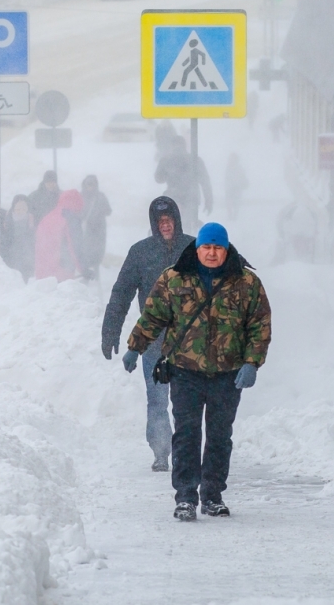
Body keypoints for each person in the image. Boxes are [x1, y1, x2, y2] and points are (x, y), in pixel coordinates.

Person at [123, 223, 271, 521]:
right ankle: (186, 497)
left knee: (219, 436)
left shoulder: (246, 282)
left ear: (226, 249)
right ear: (198, 248)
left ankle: (213, 496)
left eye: (218, 247)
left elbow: (259, 325)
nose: (212, 253)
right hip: (185, 371)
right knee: (187, 434)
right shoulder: (174, 278)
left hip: (227, 374)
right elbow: (153, 316)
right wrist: (135, 347)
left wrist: (251, 362)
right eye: (207, 247)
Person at [101, 196, 194, 471]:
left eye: (169, 220)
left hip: (189, 342)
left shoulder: (193, 249)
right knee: (157, 399)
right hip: (154, 341)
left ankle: (183, 453)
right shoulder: (140, 253)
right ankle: (161, 451)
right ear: (154, 224)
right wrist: (110, 331)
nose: (165, 225)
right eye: (160, 221)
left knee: (185, 402)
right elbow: (122, 293)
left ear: (177, 221)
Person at [155, 135, 212, 229]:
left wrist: (165, 171)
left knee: (173, 224)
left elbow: (158, 179)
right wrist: (209, 200)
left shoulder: (166, 160)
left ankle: (175, 240)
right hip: (191, 197)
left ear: (171, 147)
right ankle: (189, 235)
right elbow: (205, 181)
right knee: (188, 223)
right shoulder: (195, 159)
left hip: (173, 196)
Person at [34, 189, 83, 281]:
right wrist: (84, 270)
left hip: (43, 273)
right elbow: (75, 246)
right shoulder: (71, 218)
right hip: (62, 272)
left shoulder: (49, 216)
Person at [79, 175, 112, 281]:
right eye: (88, 184)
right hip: (86, 229)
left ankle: (94, 275)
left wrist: (99, 212)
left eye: (92, 184)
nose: (90, 187)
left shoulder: (100, 197)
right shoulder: (81, 197)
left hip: (98, 230)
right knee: (85, 251)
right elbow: (77, 212)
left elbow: (108, 211)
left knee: (97, 253)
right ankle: (86, 275)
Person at [3, 195, 35, 281]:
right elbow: (3, 238)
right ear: (13, 208)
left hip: (27, 255)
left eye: (23, 209)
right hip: (11, 254)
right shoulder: (7, 219)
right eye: (18, 209)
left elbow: (33, 238)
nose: (20, 211)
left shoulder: (31, 219)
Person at [224, 154, 248, 220]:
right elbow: (227, 178)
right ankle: (231, 216)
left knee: (235, 204)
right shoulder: (229, 168)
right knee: (230, 203)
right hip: (231, 188)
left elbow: (243, 178)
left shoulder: (238, 168)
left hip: (236, 188)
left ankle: (233, 217)